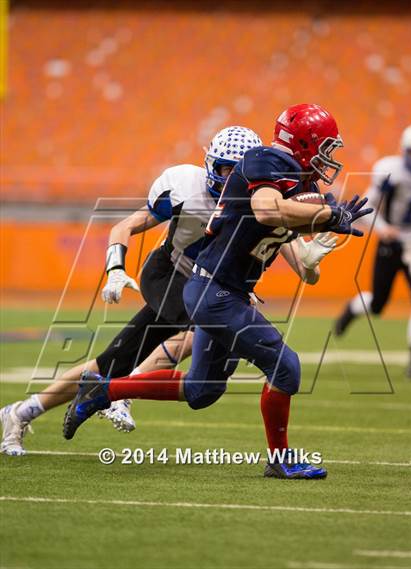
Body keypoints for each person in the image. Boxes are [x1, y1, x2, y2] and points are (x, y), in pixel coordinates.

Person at [63, 103, 372, 480]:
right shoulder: (264, 160)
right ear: (305, 142)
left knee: (201, 391)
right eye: (326, 146)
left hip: (225, 291)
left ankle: (103, 390)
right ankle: (280, 460)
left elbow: (307, 271)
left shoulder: (298, 182)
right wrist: (324, 214)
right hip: (215, 290)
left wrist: (318, 242)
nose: (330, 157)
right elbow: (266, 211)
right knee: (286, 367)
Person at [0, 126, 263, 456]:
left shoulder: (256, 203)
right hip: (167, 274)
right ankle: (121, 394)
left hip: (203, 285)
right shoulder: (186, 187)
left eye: (240, 171)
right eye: (227, 168)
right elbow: (123, 226)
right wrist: (115, 270)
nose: (232, 178)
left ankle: (20, 412)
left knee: (108, 363)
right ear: (211, 164)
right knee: (205, 324)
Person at [334, 124, 411, 379]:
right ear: (404, 152)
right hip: (390, 244)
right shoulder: (390, 172)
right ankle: (354, 308)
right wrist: (384, 230)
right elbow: (367, 210)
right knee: (379, 304)